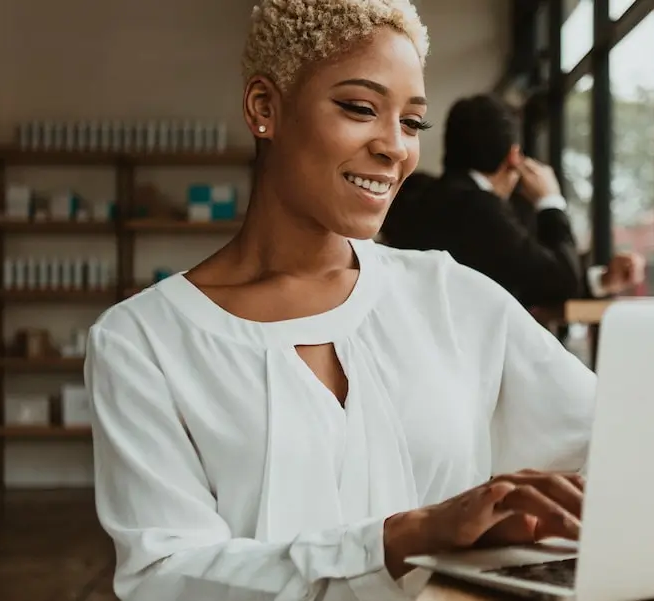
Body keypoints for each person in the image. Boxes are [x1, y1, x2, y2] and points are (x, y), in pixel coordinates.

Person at [84, 2, 596, 600]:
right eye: (360, 109)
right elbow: (166, 579)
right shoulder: (142, 342)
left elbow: (616, 442)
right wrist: (400, 538)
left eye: (412, 122)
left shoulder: (453, 297)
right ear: (264, 108)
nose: (394, 148)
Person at [379, 94, 641, 307]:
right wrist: (550, 201)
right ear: (514, 156)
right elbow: (561, 280)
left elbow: (527, 279)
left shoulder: (416, 196)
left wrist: (601, 281)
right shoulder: (479, 209)